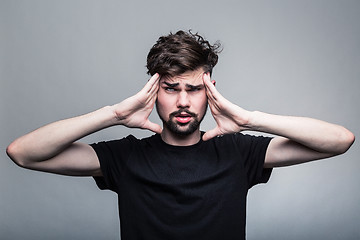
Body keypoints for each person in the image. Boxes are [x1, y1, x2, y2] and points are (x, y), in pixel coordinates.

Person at [6, 30, 355, 240]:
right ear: (153, 92)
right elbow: (23, 152)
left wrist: (250, 119)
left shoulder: (239, 151)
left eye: (194, 89)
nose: (184, 101)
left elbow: (340, 140)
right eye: (171, 89)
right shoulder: (124, 157)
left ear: (210, 90)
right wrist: (113, 114)